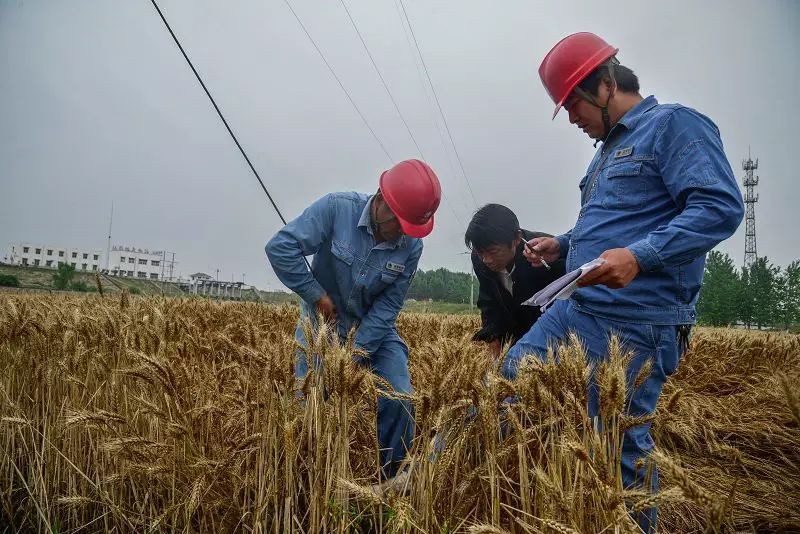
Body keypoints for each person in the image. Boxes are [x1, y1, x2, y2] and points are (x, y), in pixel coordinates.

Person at [504, 32, 744, 530]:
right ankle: (437, 483)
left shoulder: (674, 125)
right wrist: (565, 243)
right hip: (578, 305)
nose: (570, 117)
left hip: (637, 320)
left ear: (607, 83)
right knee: (507, 380)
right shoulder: (603, 154)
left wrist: (641, 256)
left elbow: (718, 207)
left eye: (573, 103)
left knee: (618, 449)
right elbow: (615, 222)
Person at [265, 159, 442, 480]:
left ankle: (394, 480)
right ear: (381, 200)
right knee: (309, 404)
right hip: (321, 323)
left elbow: (389, 306)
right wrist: (316, 295)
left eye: (411, 227)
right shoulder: (336, 208)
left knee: (399, 396)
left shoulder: (412, 246)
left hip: (374, 326)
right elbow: (280, 248)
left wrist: (356, 352)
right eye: (401, 223)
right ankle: (307, 482)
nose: (404, 233)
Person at [465, 203, 565, 357]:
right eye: (480, 252)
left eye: (493, 251)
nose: (486, 260)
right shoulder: (479, 259)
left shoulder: (547, 253)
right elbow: (489, 301)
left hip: (548, 336)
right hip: (511, 336)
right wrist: (493, 337)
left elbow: (564, 302)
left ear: (517, 238)